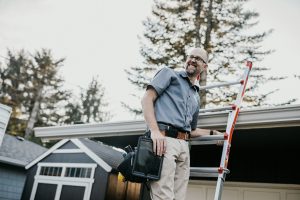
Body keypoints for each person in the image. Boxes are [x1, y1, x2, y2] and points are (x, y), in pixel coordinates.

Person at [141, 47, 223, 200]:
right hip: (164, 141)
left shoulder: (196, 96)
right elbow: (146, 99)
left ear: (204, 67)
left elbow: (191, 130)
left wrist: (212, 133)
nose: (192, 59)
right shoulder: (168, 74)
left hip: (184, 146)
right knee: (163, 196)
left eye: (198, 58)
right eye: (190, 56)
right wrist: (154, 131)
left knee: (179, 197)